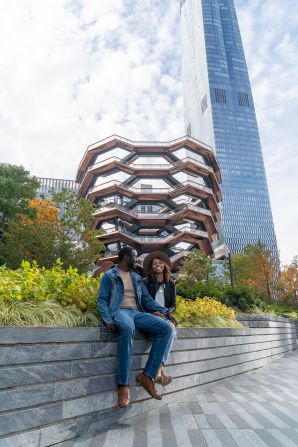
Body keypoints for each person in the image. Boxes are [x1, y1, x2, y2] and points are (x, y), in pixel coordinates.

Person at [97, 246, 175, 408]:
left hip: (136, 312)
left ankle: (147, 376)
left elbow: (147, 300)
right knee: (127, 328)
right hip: (119, 311)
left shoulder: (136, 278)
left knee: (166, 329)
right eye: (135, 257)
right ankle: (123, 385)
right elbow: (102, 300)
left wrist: (165, 312)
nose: (137, 260)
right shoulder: (109, 276)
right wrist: (107, 319)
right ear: (126, 257)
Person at [143, 252, 177, 387]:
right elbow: (143, 301)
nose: (158, 265)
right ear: (152, 267)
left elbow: (173, 305)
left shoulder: (171, 283)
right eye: (154, 264)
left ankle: (158, 369)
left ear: (164, 265)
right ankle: (158, 372)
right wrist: (154, 312)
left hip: (165, 315)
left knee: (172, 329)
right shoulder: (147, 282)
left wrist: (166, 312)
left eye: (160, 262)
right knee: (170, 330)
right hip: (151, 315)